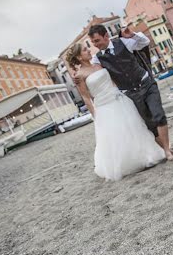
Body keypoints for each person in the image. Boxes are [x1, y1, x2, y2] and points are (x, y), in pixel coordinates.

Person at [65, 43, 165, 182]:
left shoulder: (97, 64)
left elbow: (112, 81)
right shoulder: (79, 76)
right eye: (85, 49)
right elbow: (86, 97)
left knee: (132, 128)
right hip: (103, 106)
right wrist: (95, 115)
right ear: (78, 56)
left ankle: (146, 154)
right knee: (117, 135)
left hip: (118, 99)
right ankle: (127, 162)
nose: (89, 50)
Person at [88, 24, 173, 161]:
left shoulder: (123, 42)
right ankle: (166, 148)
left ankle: (167, 151)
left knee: (159, 114)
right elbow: (94, 73)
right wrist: (80, 75)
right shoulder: (97, 58)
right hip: (130, 94)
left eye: (97, 40)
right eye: (93, 42)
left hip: (146, 84)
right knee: (149, 125)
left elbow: (145, 42)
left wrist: (133, 34)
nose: (95, 45)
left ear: (106, 36)